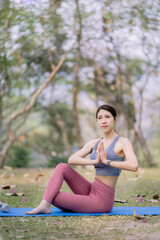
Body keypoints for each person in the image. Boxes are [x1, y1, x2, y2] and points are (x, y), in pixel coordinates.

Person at [26, 104, 138, 214]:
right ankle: (44, 205)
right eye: (100, 118)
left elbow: (134, 165)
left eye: (107, 117)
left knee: (53, 196)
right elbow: (72, 159)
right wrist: (94, 161)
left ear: (115, 119)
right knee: (62, 167)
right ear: (97, 121)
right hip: (91, 189)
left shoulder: (123, 142)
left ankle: (49, 204)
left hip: (102, 200)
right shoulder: (94, 143)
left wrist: (106, 161)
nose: (103, 121)